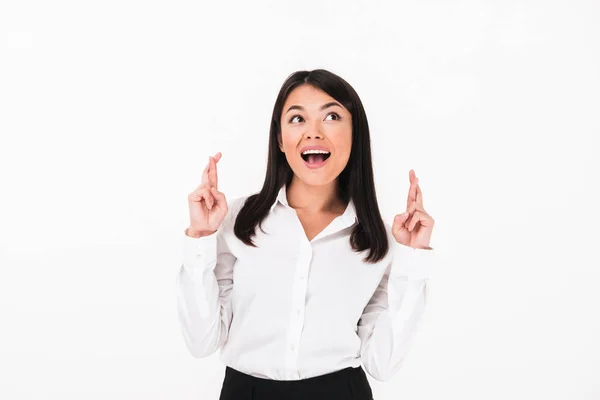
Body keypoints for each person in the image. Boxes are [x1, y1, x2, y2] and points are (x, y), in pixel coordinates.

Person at [177, 69, 435, 400]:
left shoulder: (379, 242)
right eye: (297, 119)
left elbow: (382, 363)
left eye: (331, 116)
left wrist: (412, 260)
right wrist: (200, 236)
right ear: (281, 139)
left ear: (355, 134)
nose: (313, 132)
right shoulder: (237, 222)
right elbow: (201, 341)